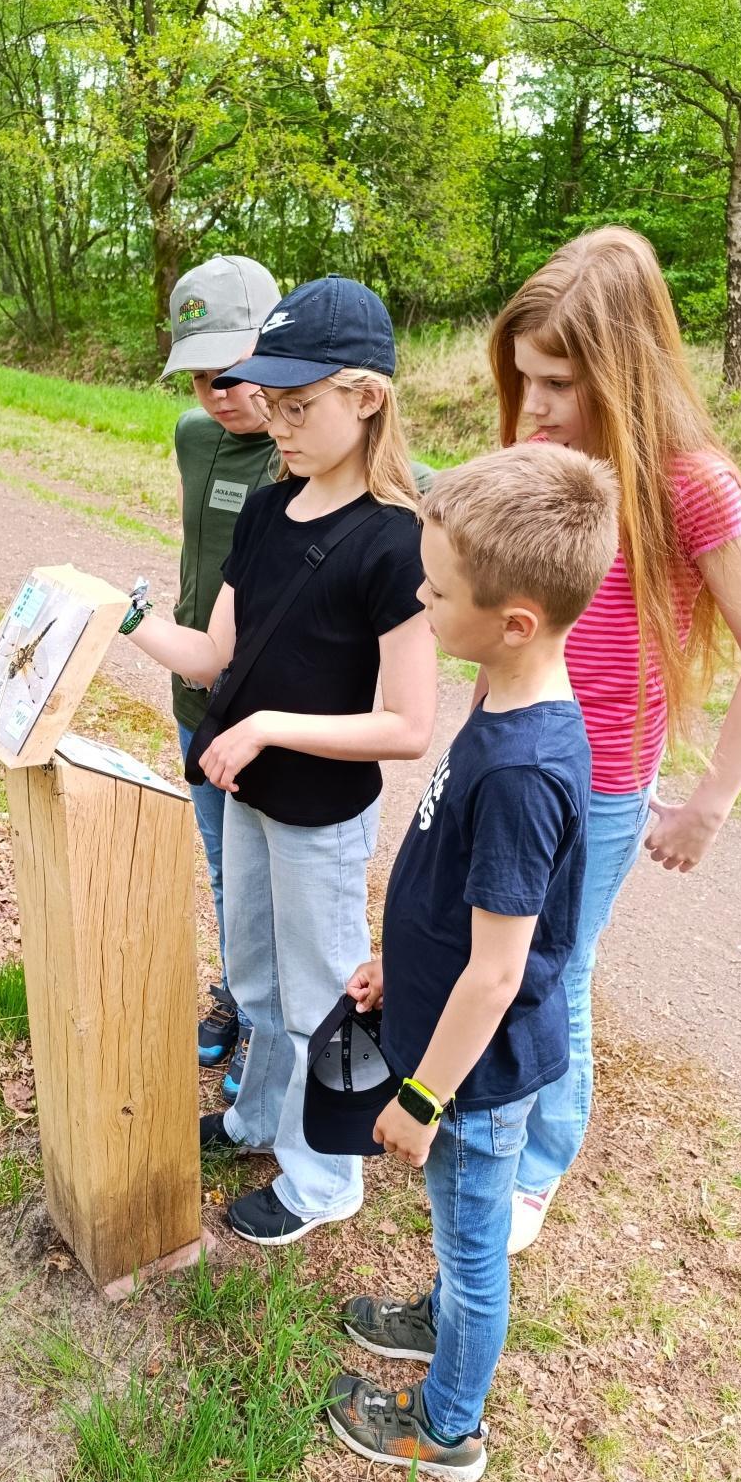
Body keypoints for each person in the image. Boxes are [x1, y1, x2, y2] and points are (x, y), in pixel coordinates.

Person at [489, 227, 741, 1253]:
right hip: (512, 757)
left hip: (605, 787)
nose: (532, 407)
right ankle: (489, 1101)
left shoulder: (691, 482)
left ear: (621, 374)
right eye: (523, 378)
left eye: (559, 384)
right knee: (498, 949)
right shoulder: (539, 454)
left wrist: (709, 806)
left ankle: (541, 1160)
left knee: (558, 970)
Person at [325, 441, 620, 1482]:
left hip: (475, 1077)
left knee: (474, 1240)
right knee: (460, 1226)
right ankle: (441, 1314)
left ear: (515, 620)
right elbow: (449, 880)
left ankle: (448, 1423)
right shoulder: (502, 690)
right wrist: (395, 962)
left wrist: (419, 1093)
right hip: (449, 1039)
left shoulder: (525, 771)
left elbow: (498, 972)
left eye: (438, 589)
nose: (418, 595)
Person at [120, 274, 436, 1243]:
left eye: (299, 407)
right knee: (254, 974)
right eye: (274, 403)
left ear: (367, 399)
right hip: (247, 793)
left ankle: (323, 1175)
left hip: (318, 811)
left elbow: (408, 724)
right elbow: (217, 652)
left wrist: (267, 728)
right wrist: (123, 620)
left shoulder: (394, 543)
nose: (277, 423)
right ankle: (260, 1118)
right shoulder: (266, 510)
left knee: (315, 992)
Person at [161, 255, 282, 1098]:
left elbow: (420, 491)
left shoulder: (314, 447)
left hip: (271, 716)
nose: (220, 394)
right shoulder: (193, 437)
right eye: (202, 376)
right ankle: (237, 996)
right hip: (194, 699)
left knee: (270, 885)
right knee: (220, 868)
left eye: (236, 374)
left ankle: (272, 1036)